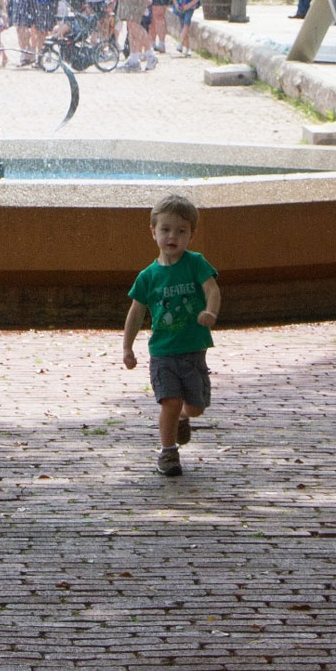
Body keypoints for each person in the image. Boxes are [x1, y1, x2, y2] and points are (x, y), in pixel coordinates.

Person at [121, 193, 219, 478]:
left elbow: (212, 289)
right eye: (165, 230)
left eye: (181, 231)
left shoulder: (195, 264)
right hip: (163, 353)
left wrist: (210, 312)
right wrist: (128, 347)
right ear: (153, 232)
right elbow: (136, 312)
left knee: (196, 407)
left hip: (194, 350)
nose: (172, 236)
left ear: (191, 234)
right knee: (170, 401)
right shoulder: (148, 277)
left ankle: (184, 419)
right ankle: (168, 453)